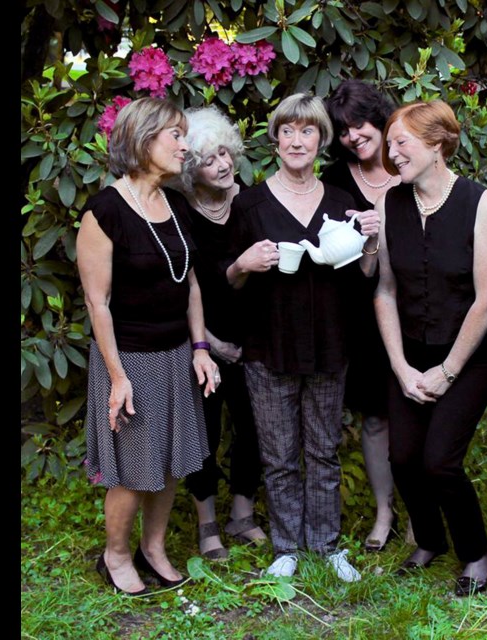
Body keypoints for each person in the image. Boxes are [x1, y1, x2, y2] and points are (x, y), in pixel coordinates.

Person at [224, 93, 381, 581]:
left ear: (322, 140)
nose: (297, 140)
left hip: (332, 344)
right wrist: (241, 265)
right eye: (288, 130)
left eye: (308, 131)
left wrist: (371, 240)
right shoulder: (248, 203)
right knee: (279, 454)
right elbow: (227, 280)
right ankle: (287, 545)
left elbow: (365, 272)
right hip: (268, 347)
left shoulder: (341, 200)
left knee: (323, 449)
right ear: (275, 139)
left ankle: (327, 545)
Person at [78, 97, 220, 595]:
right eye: (175, 136)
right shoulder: (104, 211)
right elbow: (99, 305)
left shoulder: (177, 204)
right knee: (135, 469)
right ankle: (115, 554)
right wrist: (118, 377)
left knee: (174, 460)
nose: (187, 145)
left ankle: (153, 547)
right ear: (142, 140)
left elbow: (192, 285)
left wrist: (200, 347)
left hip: (177, 352)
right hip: (131, 359)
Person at [373, 100, 487, 596]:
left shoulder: (481, 204)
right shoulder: (391, 203)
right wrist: (402, 368)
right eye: (389, 143)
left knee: (439, 462)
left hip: (469, 353)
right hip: (408, 351)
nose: (392, 152)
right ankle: (429, 541)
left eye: (401, 142)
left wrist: (447, 371)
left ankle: (477, 552)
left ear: (437, 144)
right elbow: (385, 289)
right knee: (404, 458)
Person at [174, 106, 268, 561]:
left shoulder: (250, 201)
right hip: (201, 341)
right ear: (192, 169)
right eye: (210, 160)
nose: (224, 164)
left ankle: (243, 513)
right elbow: (181, 284)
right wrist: (206, 341)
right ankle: (207, 521)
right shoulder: (179, 213)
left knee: (254, 430)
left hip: (252, 339)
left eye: (226, 153)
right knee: (204, 433)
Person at [322, 80, 403, 552]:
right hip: (363, 311)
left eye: (360, 124)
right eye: (344, 131)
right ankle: (384, 512)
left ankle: (422, 513)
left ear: (378, 117)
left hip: (421, 310)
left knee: (421, 415)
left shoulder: (410, 162)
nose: (354, 136)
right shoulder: (336, 180)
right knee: (375, 418)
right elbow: (335, 259)